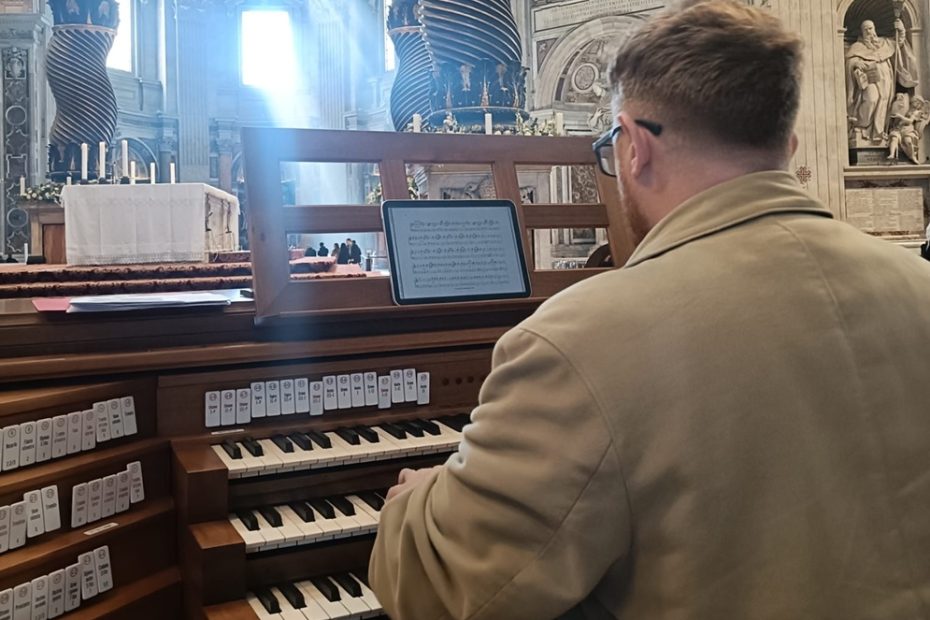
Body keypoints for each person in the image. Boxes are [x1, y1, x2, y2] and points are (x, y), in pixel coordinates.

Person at [369, 2, 930, 619]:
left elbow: (436, 593)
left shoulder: (580, 341)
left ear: (633, 146)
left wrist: (414, 505)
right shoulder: (917, 284)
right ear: (788, 144)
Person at [846, 19, 896, 143]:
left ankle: (878, 132)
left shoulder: (884, 43)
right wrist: (857, 63)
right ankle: (862, 126)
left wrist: (900, 28)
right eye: (866, 29)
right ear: (862, 32)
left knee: (884, 101)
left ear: (875, 29)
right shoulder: (857, 47)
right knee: (871, 98)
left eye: (871, 28)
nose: (869, 32)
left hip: (885, 77)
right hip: (869, 77)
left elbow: (899, 42)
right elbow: (849, 61)